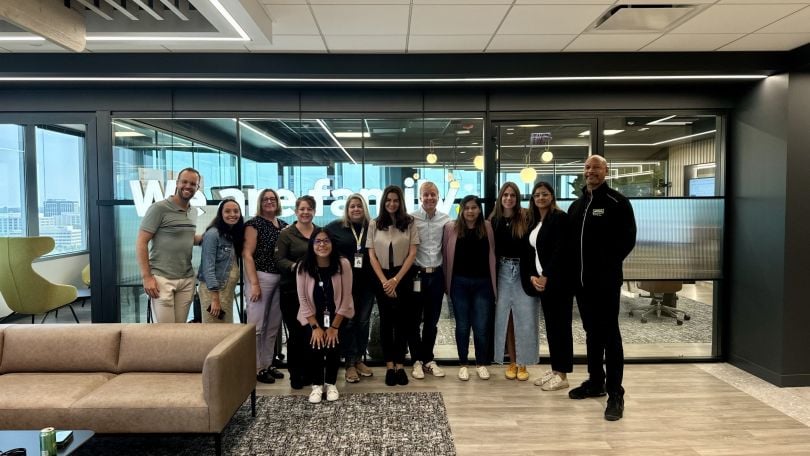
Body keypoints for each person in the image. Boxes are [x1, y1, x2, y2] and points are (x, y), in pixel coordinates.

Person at [567, 155, 637, 421]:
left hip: (605, 284)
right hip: (581, 285)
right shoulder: (578, 205)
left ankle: (615, 393)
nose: (590, 171)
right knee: (591, 333)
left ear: (606, 171)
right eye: (587, 167)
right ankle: (596, 381)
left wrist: (605, 266)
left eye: (596, 167)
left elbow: (627, 240)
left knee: (610, 336)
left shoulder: (617, 202)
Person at [520, 182, 574, 391]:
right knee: (552, 328)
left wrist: (546, 275)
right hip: (542, 282)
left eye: (544, 194)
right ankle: (555, 369)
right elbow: (531, 253)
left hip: (558, 282)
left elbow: (561, 250)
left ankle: (563, 375)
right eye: (536, 195)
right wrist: (533, 277)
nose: (540, 198)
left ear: (552, 196)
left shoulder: (559, 218)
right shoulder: (535, 221)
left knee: (561, 327)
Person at [366, 185, 419, 387]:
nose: (392, 203)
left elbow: (413, 253)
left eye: (395, 200)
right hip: (381, 277)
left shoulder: (409, 223)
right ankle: (389, 366)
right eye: (388, 200)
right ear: (383, 202)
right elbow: (371, 255)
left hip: (403, 275)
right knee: (387, 322)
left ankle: (400, 364)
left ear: (401, 202)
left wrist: (396, 279)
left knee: (403, 322)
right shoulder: (375, 223)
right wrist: (384, 281)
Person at [136, 167, 202, 323]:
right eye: (184, 182)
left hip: (186, 279)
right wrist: (147, 277)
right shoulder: (159, 208)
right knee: (165, 334)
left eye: (193, 184)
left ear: (197, 188)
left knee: (178, 333)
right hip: (161, 279)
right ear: (177, 183)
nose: (188, 186)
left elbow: (187, 238)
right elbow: (141, 242)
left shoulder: (193, 212)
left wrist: (215, 236)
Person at [442, 195, 497, 381]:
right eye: (466, 208)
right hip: (459, 284)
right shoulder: (451, 228)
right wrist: (445, 283)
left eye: (474, 207)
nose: (470, 211)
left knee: (481, 327)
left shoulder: (488, 227)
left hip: (483, 284)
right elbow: (445, 256)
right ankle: (463, 363)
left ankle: (481, 363)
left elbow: (493, 254)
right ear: (461, 210)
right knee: (463, 326)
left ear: (479, 209)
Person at [297, 229, 355, 404]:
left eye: (326, 241)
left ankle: (330, 383)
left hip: (337, 315)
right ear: (312, 244)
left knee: (333, 346)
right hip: (311, 317)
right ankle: (316, 385)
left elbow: (346, 297)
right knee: (314, 345)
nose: (322, 245)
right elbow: (303, 299)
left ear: (332, 243)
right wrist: (315, 327)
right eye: (317, 241)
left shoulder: (343, 264)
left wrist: (334, 327)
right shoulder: (303, 266)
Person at [325, 194, 375, 383]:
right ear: (347, 209)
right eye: (352, 206)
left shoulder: (372, 227)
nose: (356, 209)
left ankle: (360, 359)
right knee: (349, 323)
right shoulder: (335, 228)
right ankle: (349, 364)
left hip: (368, 284)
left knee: (363, 322)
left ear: (364, 209)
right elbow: (319, 241)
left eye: (359, 206)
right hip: (345, 285)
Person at [490, 181, 536, 381]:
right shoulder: (493, 220)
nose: (508, 198)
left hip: (522, 272)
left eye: (513, 195)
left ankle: (523, 363)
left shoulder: (526, 217)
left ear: (517, 198)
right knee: (506, 319)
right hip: (501, 271)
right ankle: (512, 361)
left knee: (524, 319)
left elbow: (535, 248)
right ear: (501, 198)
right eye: (505, 195)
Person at [243, 189, 288, 384]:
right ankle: (255, 367)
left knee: (272, 326)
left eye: (273, 199)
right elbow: (247, 254)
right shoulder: (254, 224)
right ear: (260, 203)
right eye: (265, 199)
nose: (269, 202)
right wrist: (254, 284)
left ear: (278, 202)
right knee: (257, 327)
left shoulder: (284, 226)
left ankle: (268, 363)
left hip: (280, 279)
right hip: (260, 278)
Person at [275, 195, 319, 389]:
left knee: (311, 332)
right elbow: (279, 260)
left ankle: (310, 372)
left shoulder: (319, 233)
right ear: (296, 211)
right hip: (291, 292)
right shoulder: (286, 234)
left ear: (314, 211)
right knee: (296, 334)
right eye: (302, 209)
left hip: (314, 293)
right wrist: (296, 267)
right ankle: (296, 375)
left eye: (309, 209)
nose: (305, 212)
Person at [409, 181, 450, 379]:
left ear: (438, 196)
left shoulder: (446, 220)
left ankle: (428, 359)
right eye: (426, 195)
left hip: (438, 275)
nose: (429, 198)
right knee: (415, 320)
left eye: (433, 194)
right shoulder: (411, 219)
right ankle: (416, 360)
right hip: (417, 275)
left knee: (432, 322)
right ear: (420, 197)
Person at [197, 197, 244, 324]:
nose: (232, 214)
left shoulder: (232, 235)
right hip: (214, 293)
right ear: (221, 214)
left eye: (236, 211)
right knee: (213, 332)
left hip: (226, 293)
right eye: (227, 211)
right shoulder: (213, 234)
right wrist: (215, 298)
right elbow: (208, 267)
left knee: (225, 330)